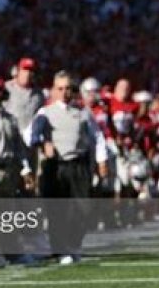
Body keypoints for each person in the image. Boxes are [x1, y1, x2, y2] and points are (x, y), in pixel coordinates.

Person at [29, 71, 107, 264]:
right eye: (60, 88)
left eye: (68, 88)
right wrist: (43, 143)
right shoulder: (45, 112)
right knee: (57, 210)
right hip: (55, 166)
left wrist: (102, 160)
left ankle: (73, 244)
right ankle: (61, 249)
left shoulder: (83, 112)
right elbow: (31, 135)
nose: (64, 92)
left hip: (78, 164)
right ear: (54, 90)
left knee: (83, 208)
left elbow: (97, 136)